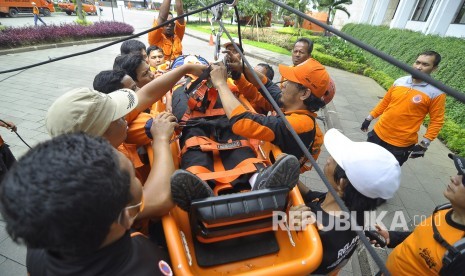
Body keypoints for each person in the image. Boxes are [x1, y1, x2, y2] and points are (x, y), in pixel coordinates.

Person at [0, 133, 172, 275]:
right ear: (127, 217)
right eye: (134, 176)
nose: (136, 179)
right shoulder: (151, 265)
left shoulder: (38, 250)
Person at [45, 88, 178, 218]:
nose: (126, 118)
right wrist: (161, 138)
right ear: (101, 135)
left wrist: (184, 69)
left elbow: (145, 95)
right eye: (119, 117)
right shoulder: (91, 182)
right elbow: (158, 200)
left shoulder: (82, 150)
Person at [291, 128, 401, 275]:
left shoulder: (316, 227)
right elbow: (312, 195)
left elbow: (289, 259)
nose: (329, 159)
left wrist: (288, 227)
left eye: (335, 160)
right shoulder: (353, 209)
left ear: (342, 184)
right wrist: (292, 176)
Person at [370, 153, 465, 275]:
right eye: (459, 173)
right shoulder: (445, 209)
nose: (454, 178)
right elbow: (420, 236)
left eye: (464, 180)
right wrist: (391, 237)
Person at [361, 51, 445, 166]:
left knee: (384, 176)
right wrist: (369, 118)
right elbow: (385, 102)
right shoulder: (400, 81)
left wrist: (424, 144)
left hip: (400, 145)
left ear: (434, 68)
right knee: (363, 164)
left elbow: (437, 121)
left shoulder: (436, 92)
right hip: (377, 134)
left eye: (425, 65)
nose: (419, 67)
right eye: (417, 62)